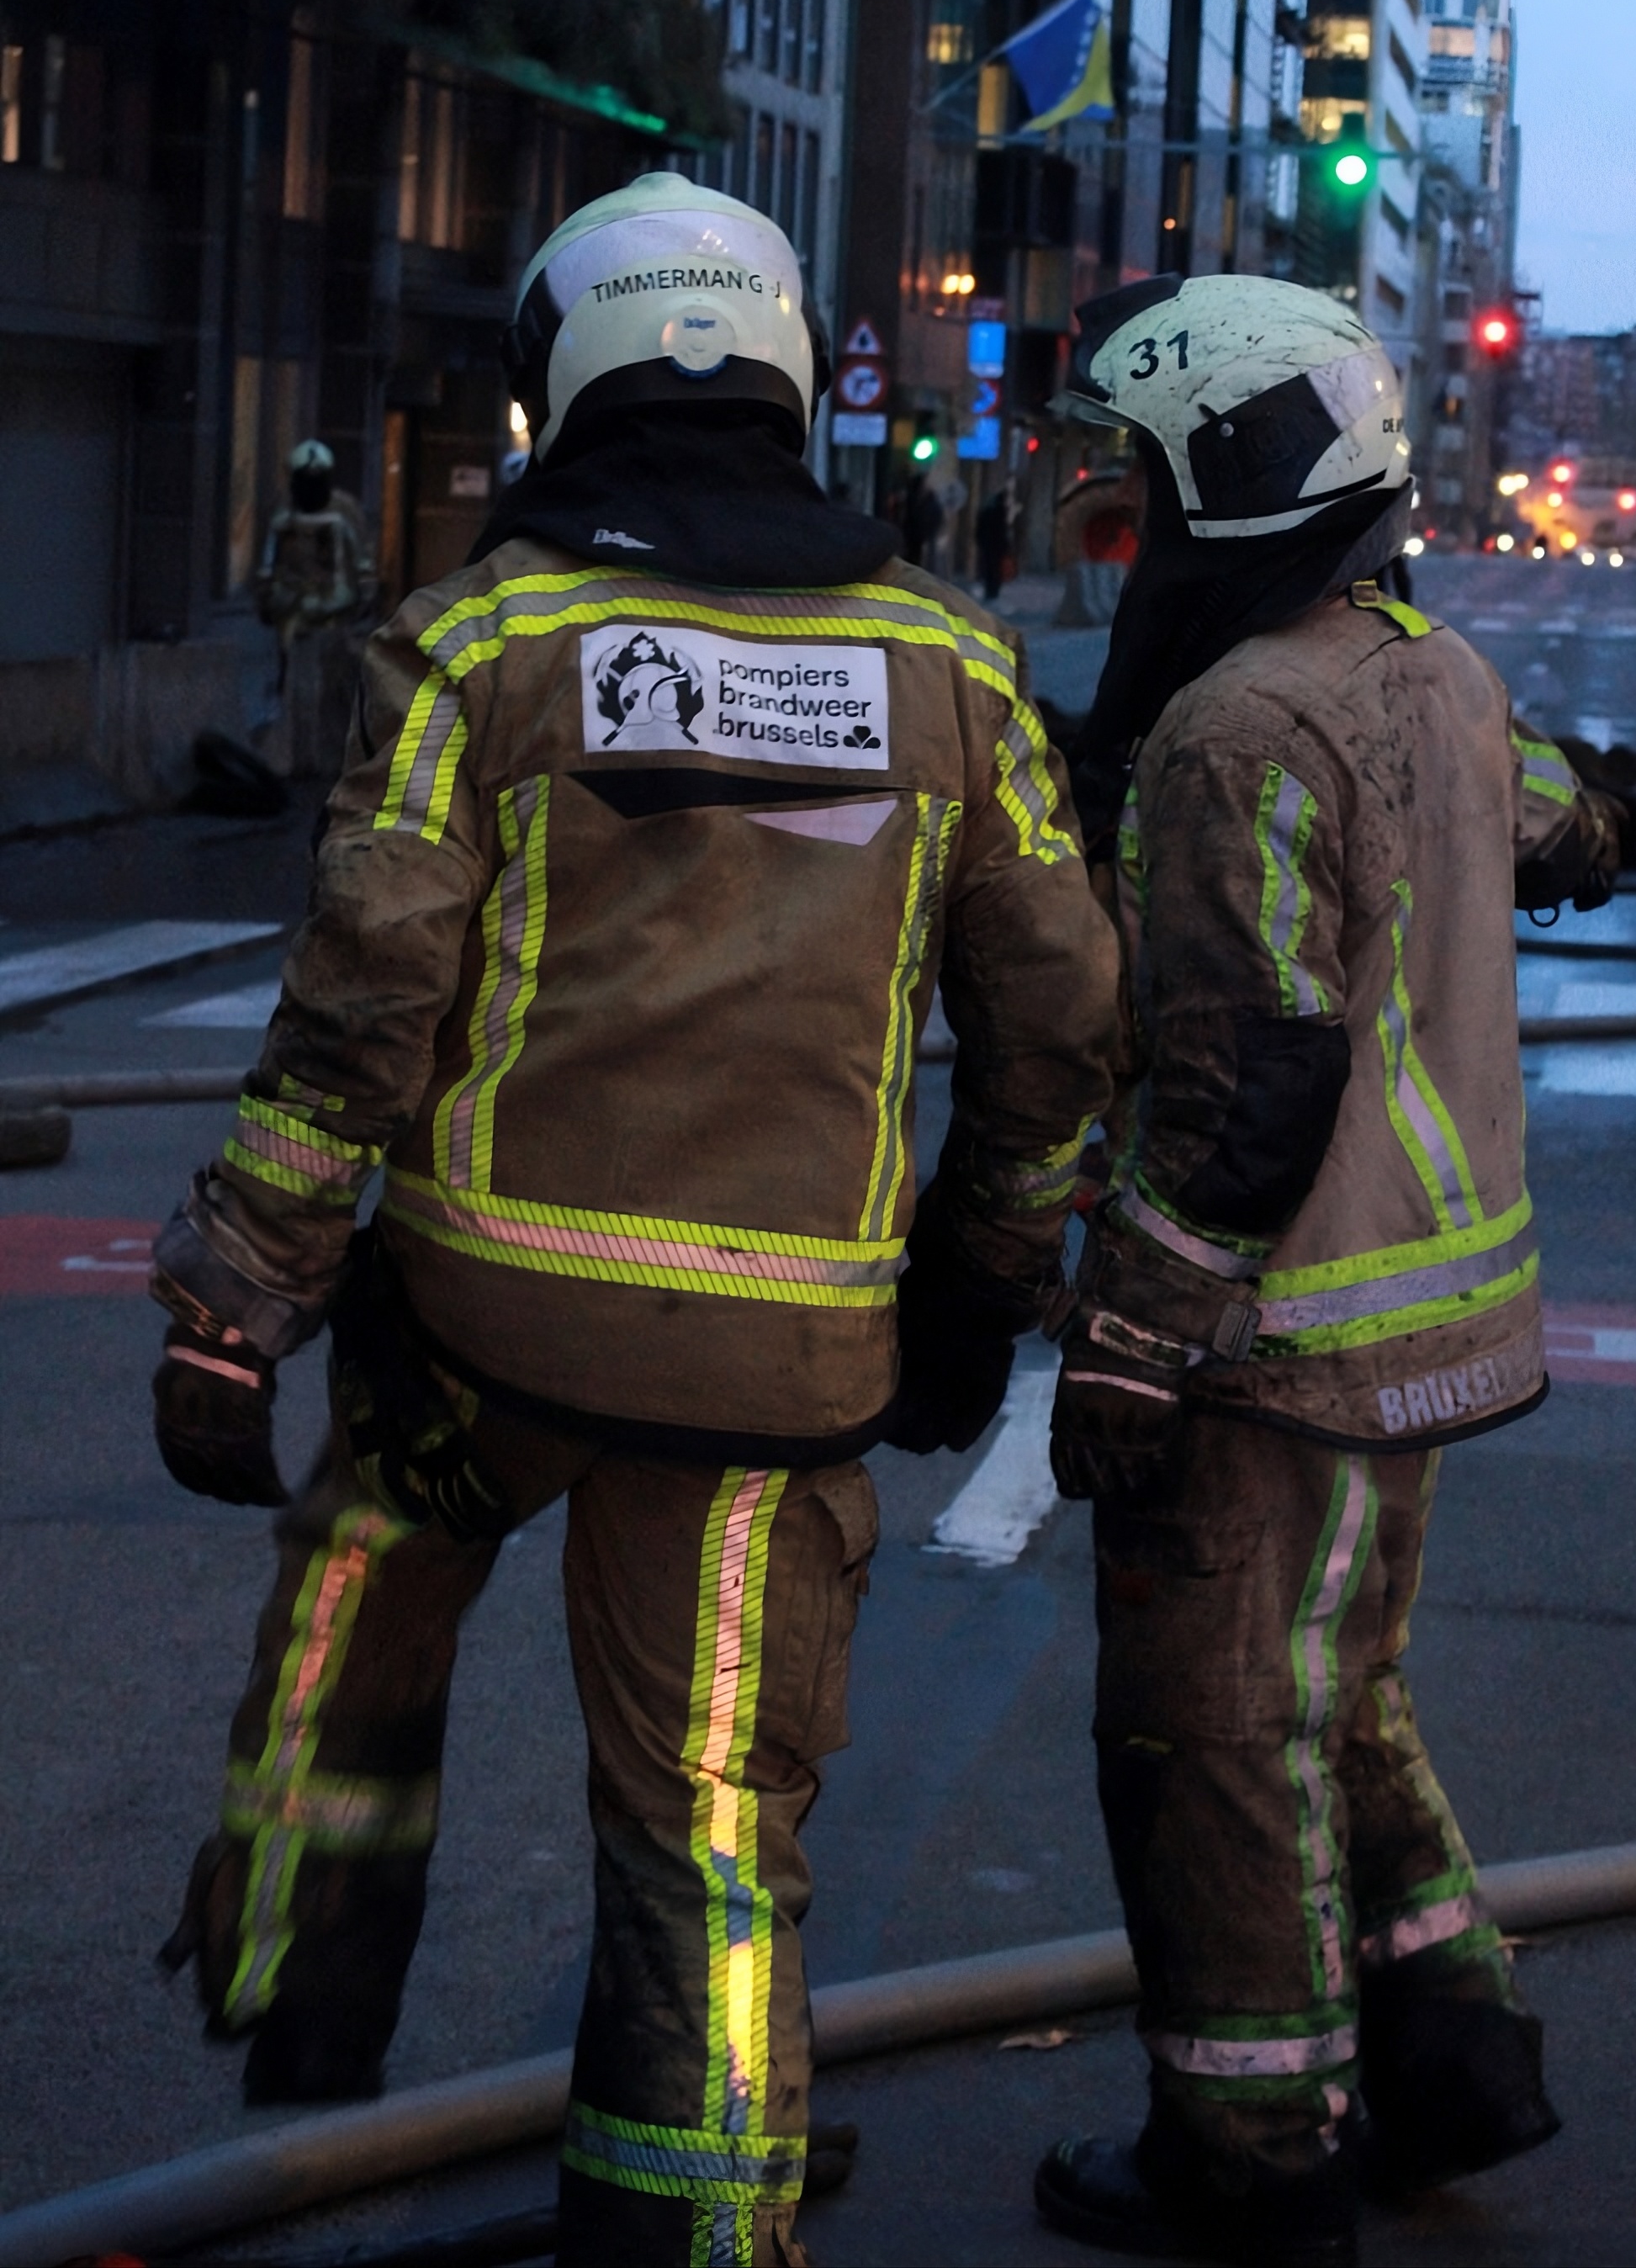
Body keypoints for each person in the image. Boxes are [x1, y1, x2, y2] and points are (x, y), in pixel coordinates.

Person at [148, 173, 1121, 2268]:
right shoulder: (949, 665)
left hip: (480, 1330)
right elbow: (1058, 1021)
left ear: (561, 375)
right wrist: (977, 1281)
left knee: (360, 1574)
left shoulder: (484, 641)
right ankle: (697, 2214)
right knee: (710, 1822)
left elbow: (359, 1008)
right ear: (787, 374)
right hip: (775, 1371)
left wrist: (237, 1301)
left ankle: (296, 1977)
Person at [1029, 274, 1626, 2268]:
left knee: (1208, 1730)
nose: (1120, 524)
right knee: (1339, 1692)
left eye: (1138, 484)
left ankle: (1251, 2147)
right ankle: (1453, 2055)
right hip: (1424, 1315)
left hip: (1275, 1336)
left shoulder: (1232, 725)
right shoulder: (1426, 672)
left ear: (1230, 475)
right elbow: (1566, 829)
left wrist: (1132, 1333)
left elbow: (1244, 1071)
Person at [255, 438, 376, 773]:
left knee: (333, 689)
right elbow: (269, 558)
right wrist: (267, 597)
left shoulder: (344, 511)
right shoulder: (284, 511)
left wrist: (365, 599)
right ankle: (291, 755)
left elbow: (362, 560)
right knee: (290, 686)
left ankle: (330, 756)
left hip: (334, 614)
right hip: (292, 613)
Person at [975, 484, 1013, 606]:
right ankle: (993, 592)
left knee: (989, 570)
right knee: (995, 571)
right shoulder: (1000, 513)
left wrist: (981, 542)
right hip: (996, 548)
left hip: (988, 547)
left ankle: (990, 591)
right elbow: (1002, 532)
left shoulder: (986, 512)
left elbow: (979, 530)